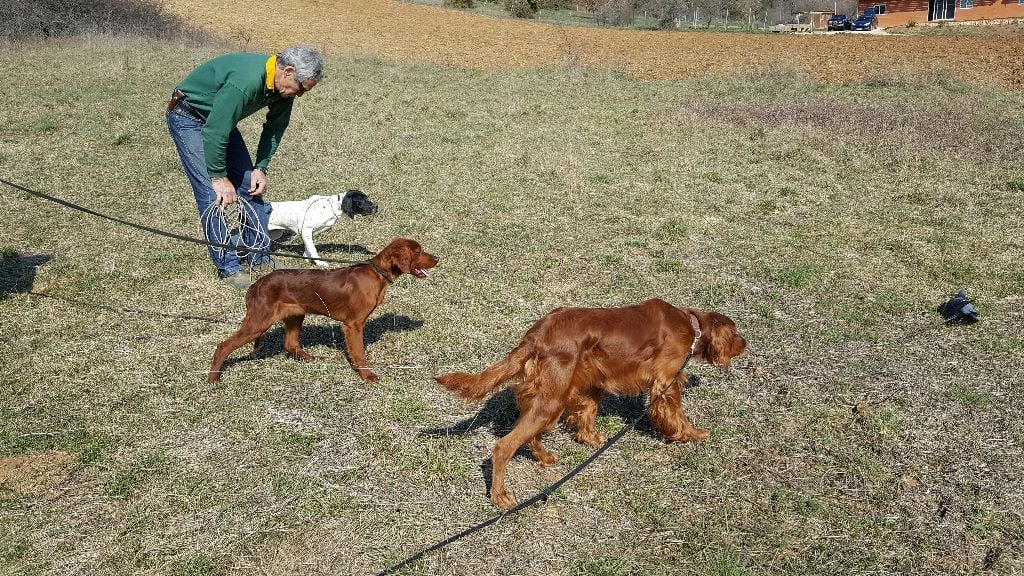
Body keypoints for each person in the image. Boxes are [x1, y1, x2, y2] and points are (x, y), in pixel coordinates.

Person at [166, 45, 324, 291]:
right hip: (189, 117)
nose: (301, 94)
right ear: (288, 71)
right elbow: (215, 131)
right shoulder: (247, 81)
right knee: (212, 195)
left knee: (251, 185)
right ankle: (229, 268)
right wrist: (218, 177)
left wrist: (261, 167)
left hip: (220, 119)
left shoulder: (283, 89)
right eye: (302, 88)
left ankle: (259, 256)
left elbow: (275, 127)